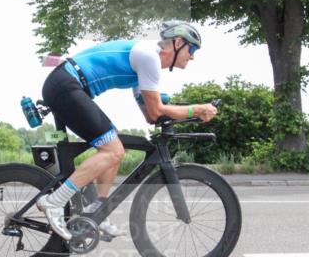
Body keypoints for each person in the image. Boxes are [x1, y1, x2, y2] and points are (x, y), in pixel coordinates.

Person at [37, 21, 218, 240]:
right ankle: (55, 202)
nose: (193, 56)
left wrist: (177, 111)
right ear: (178, 43)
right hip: (66, 85)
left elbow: (151, 114)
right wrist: (197, 110)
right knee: (113, 150)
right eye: (193, 49)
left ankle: (97, 212)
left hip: (67, 86)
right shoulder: (149, 56)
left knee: (113, 145)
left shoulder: (147, 64)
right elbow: (157, 108)